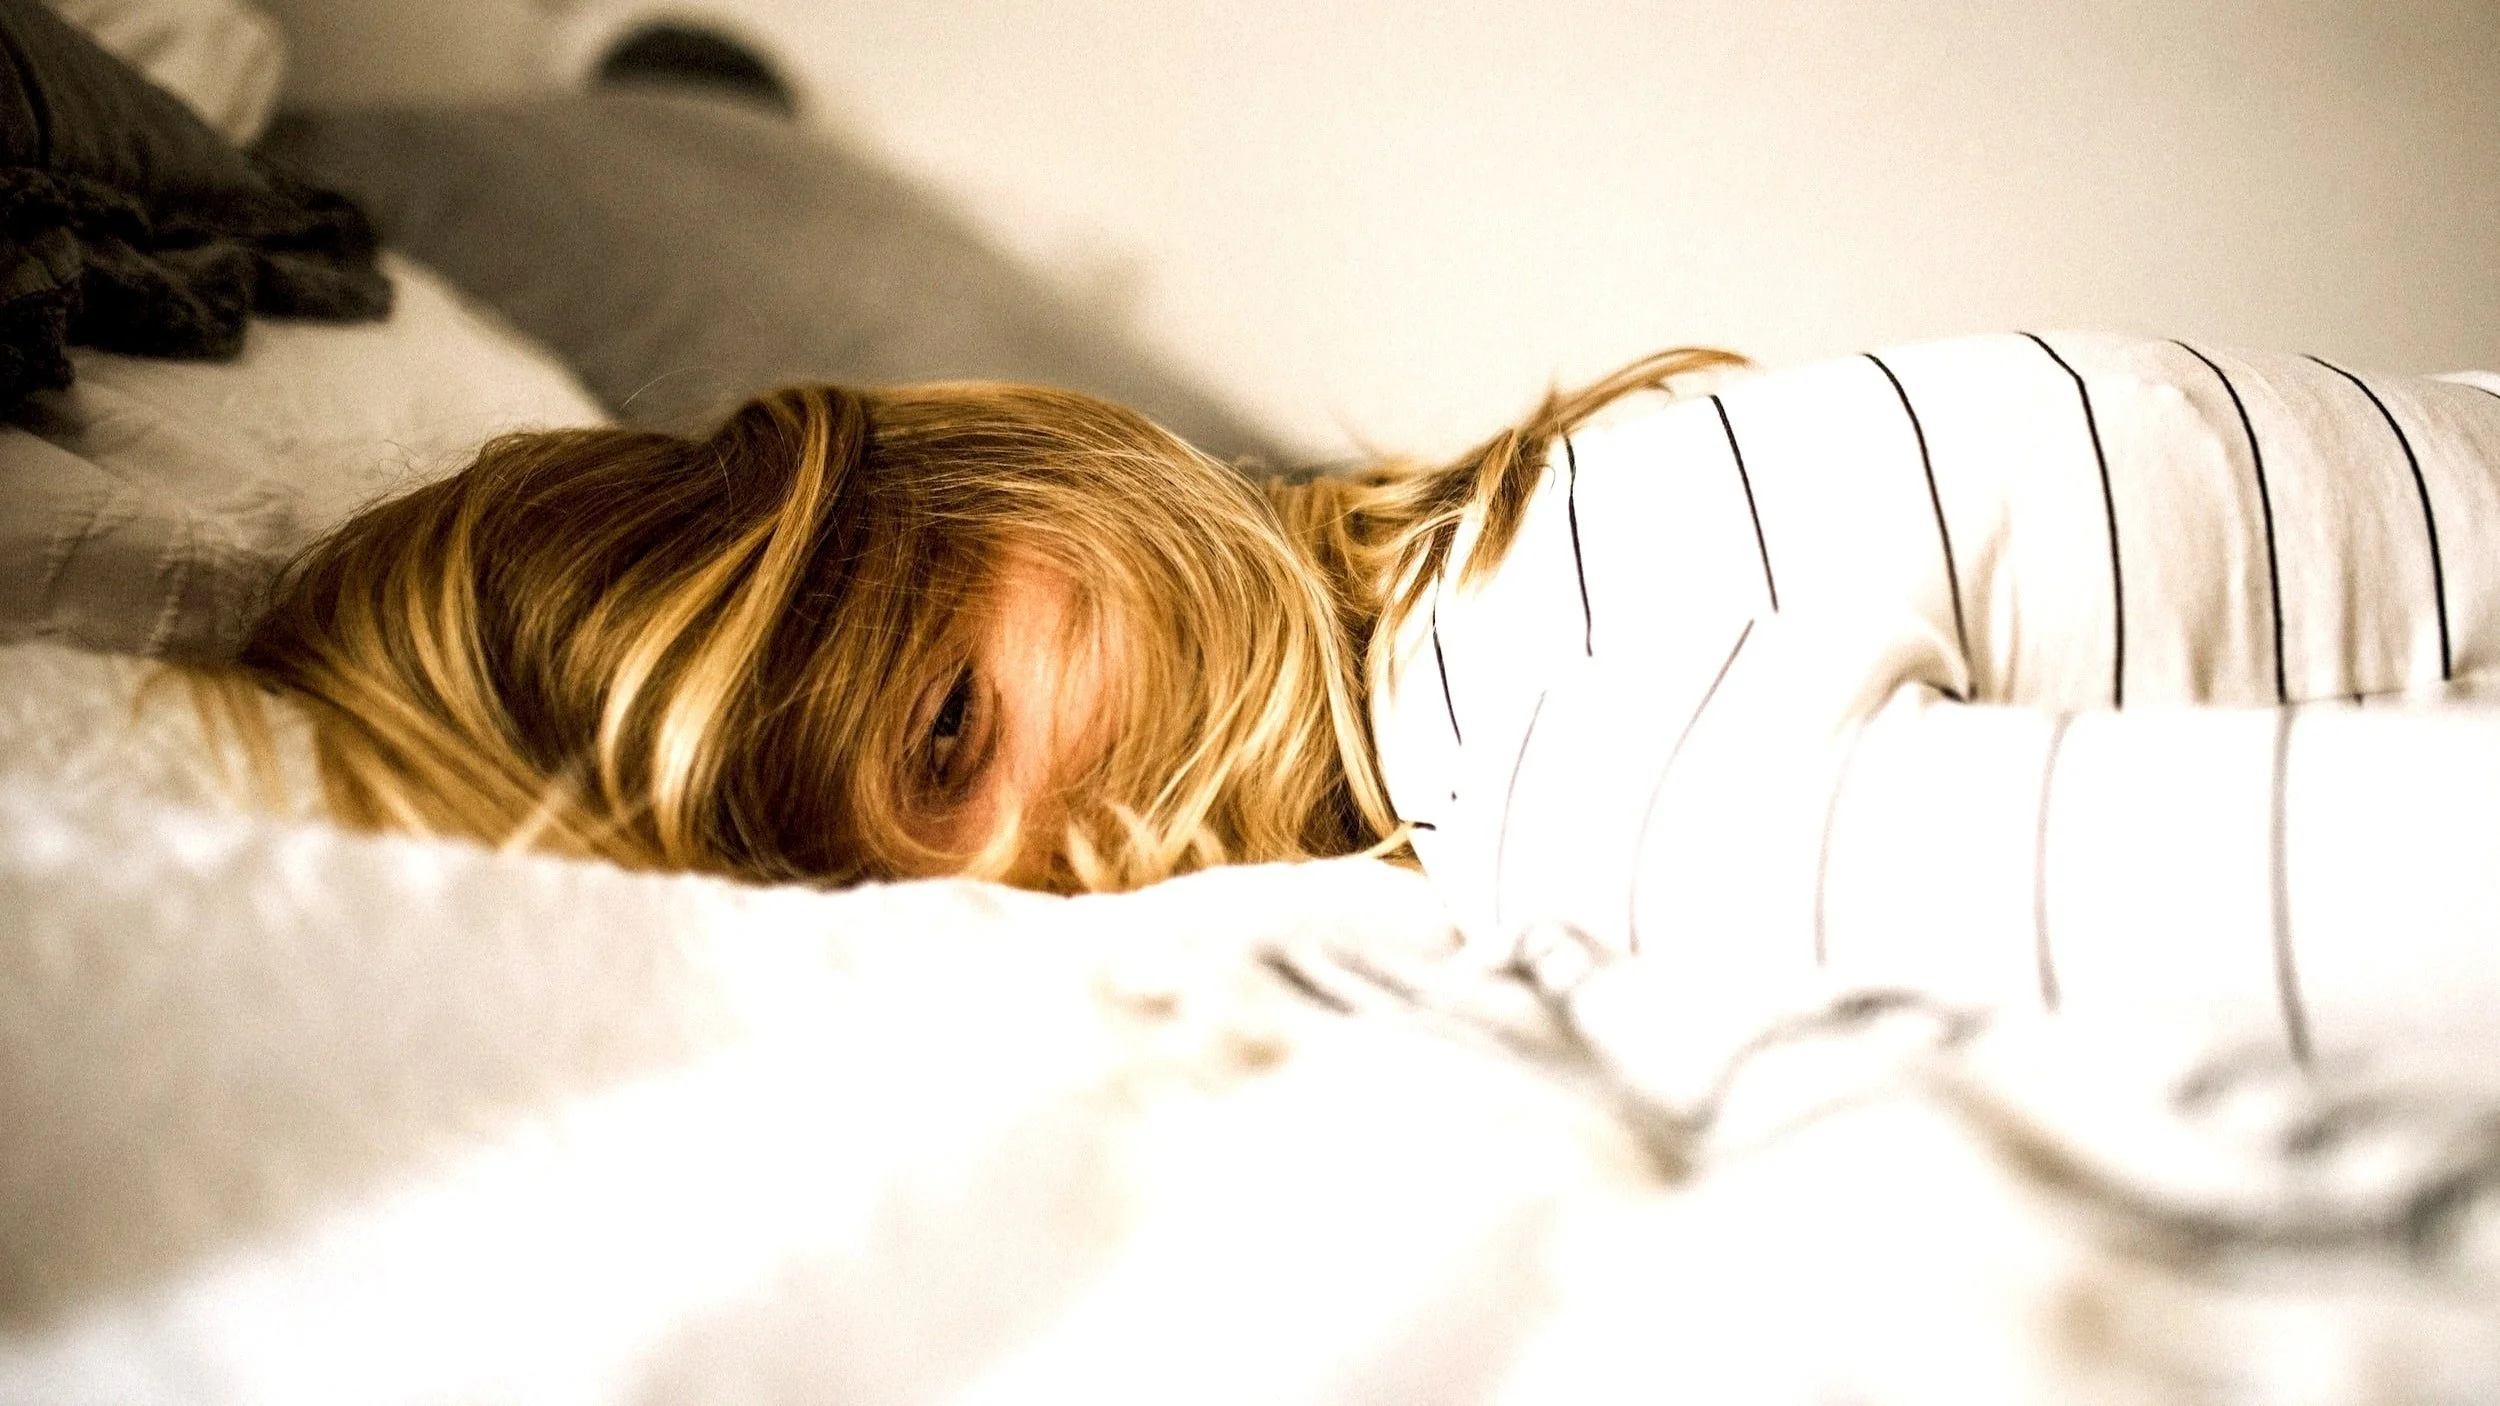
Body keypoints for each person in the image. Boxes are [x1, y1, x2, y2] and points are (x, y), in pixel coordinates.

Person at [208, 337, 2500, 1042]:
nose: (1013, 885)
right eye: (875, 905)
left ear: (1030, 472)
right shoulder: (1530, 574)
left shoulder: (1558, 742)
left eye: (944, 736)